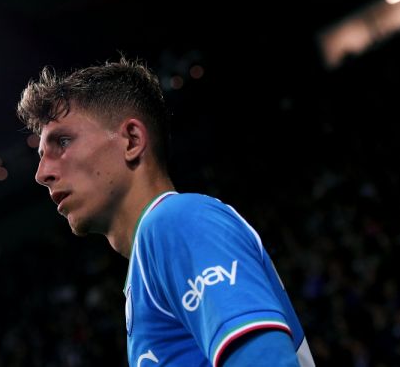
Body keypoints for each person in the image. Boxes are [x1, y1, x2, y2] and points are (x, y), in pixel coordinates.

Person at [16, 57, 315, 366]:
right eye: (40, 155)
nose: (42, 173)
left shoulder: (175, 222)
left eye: (62, 141)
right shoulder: (146, 268)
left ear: (131, 140)